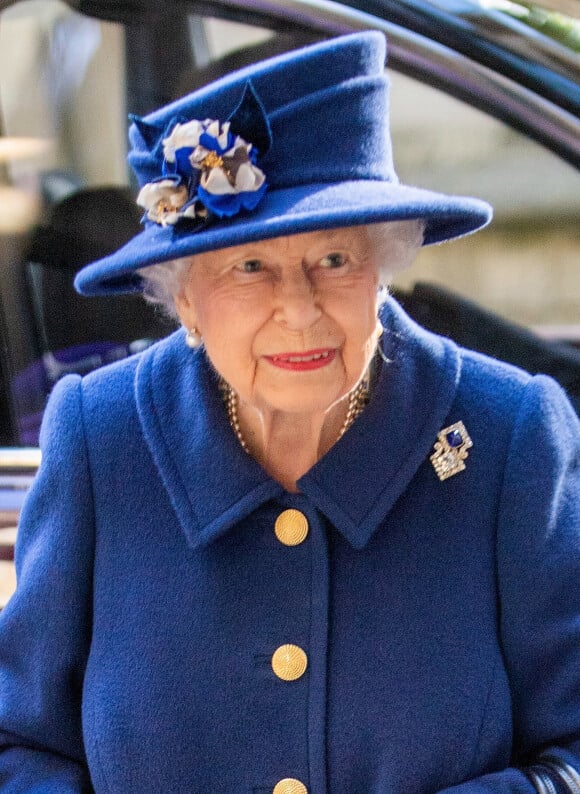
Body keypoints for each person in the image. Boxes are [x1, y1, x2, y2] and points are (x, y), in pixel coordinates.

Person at [0, 31, 579, 794]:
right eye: (249, 266)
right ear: (185, 298)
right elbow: (20, 744)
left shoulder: (506, 435)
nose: (299, 311)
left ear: (384, 263)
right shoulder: (103, 438)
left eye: (333, 259)